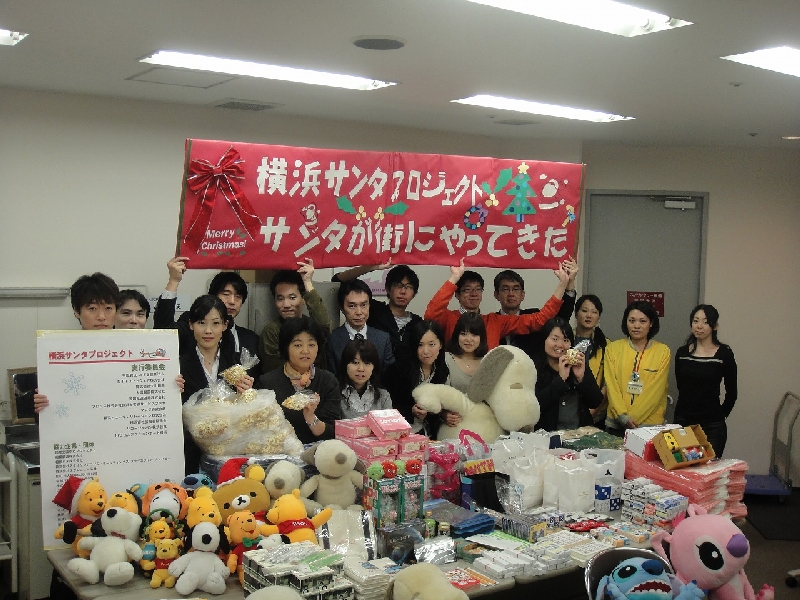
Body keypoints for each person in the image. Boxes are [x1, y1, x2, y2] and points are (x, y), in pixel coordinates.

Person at [179, 295, 254, 474]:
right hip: (189, 452)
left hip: (229, 452)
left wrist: (246, 393)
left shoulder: (237, 364)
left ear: (224, 325)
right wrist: (172, 391)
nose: (208, 331)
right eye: (201, 323)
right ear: (191, 325)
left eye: (215, 323)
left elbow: (246, 414)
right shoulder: (178, 365)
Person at [424, 259, 569, 350]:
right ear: (457, 294)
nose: (473, 294)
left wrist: (563, 284)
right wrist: (454, 278)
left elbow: (539, 320)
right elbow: (431, 315)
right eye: (467, 290)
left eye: (477, 289)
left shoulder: (495, 321)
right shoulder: (449, 318)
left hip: (487, 383)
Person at [34, 272, 121, 412]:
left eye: (108, 308)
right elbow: (48, 416)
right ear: (76, 311)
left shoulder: (132, 351)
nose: (101, 316)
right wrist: (41, 406)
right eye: (92, 308)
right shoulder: (58, 354)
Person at [153, 256, 260, 369]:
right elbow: (163, 332)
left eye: (238, 297)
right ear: (213, 296)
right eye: (226, 294)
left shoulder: (251, 338)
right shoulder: (194, 322)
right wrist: (173, 281)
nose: (232, 301)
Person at [256, 317, 341, 444]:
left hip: (318, 452)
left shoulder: (328, 381)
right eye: (297, 345)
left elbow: (332, 432)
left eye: (311, 345)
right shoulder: (267, 382)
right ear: (286, 347)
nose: (305, 351)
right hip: (279, 451)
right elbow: (260, 429)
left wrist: (311, 418)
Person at [674, 304, 737, 457]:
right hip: (683, 422)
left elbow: (732, 392)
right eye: (696, 321)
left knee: (709, 468)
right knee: (683, 466)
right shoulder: (682, 353)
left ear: (714, 326)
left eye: (705, 322)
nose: (699, 326)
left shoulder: (724, 353)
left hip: (712, 426)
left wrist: (719, 416)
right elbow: (681, 386)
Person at [604, 301, 671, 436]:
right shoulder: (612, 349)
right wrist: (622, 417)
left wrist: (631, 419)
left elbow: (656, 391)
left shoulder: (663, 351)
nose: (636, 326)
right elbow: (611, 386)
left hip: (649, 426)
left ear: (651, 323)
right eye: (632, 321)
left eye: (642, 321)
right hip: (616, 423)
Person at [333, 261, 422, 361]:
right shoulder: (374, 310)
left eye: (408, 287)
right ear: (388, 288)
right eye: (398, 285)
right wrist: (371, 267)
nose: (403, 291)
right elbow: (338, 281)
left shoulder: (417, 323)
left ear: (414, 293)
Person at [494, 258, 579, 357]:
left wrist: (570, 283)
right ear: (496, 295)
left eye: (516, 289)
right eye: (505, 289)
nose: (511, 294)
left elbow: (561, 319)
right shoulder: (491, 322)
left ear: (523, 295)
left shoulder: (535, 316)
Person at [259, 259, 332, 373]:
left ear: (303, 299)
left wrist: (307, 282)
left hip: (316, 382)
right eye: (280, 299)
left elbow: (324, 326)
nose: (286, 305)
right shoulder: (271, 331)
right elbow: (273, 369)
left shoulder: (311, 326)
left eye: (292, 298)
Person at [533, 318, 604, 431]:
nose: (560, 345)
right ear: (544, 339)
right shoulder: (533, 369)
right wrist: (561, 380)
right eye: (555, 339)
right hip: (548, 435)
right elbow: (534, 408)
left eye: (566, 340)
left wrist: (581, 378)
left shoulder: (578, 366)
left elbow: (595, 402)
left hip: (579, 435)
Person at [384, 320, 449, 438]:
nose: (426, 351)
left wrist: (443, 414)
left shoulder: (442, 370)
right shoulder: (400, 369)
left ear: (440, 345)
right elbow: (387, 405)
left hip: (429, 434)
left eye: (431, 344)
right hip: (399, 433)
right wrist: (411, 411)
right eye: (420, 345)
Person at [326, 279, 394, 374]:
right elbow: (331, 377)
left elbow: (389, 376)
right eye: (352, 306)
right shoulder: (332, 339)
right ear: (342, 308)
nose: (359, 312)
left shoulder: (383, 338)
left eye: (363, 305)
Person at [573, 294, 609, 429]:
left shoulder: (606, 345)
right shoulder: (565, 340)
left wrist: (593, 410)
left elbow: (608, 383)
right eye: (584, 311)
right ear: (576, 314)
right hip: (568, 408)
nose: (589, 315)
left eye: (594, 312)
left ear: (598, 316)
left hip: (596, 413)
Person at [337, 338, 392, 419]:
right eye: (355, 362)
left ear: (374, 367)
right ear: (345, 365)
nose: (361, 369)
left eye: (367, 363)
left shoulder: (383, 396)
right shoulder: (334, 395)